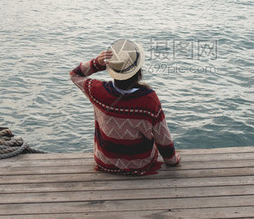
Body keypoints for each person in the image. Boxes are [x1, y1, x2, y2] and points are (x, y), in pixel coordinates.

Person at [70, 39, 180, 175]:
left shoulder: (96, 90)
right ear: (138, 70)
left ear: (112, 69)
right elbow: (163, 137)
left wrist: (97, 64)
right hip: (140, 165)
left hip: (105, 163)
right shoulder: (149, 99)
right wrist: (172, 161)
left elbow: (75, 74)